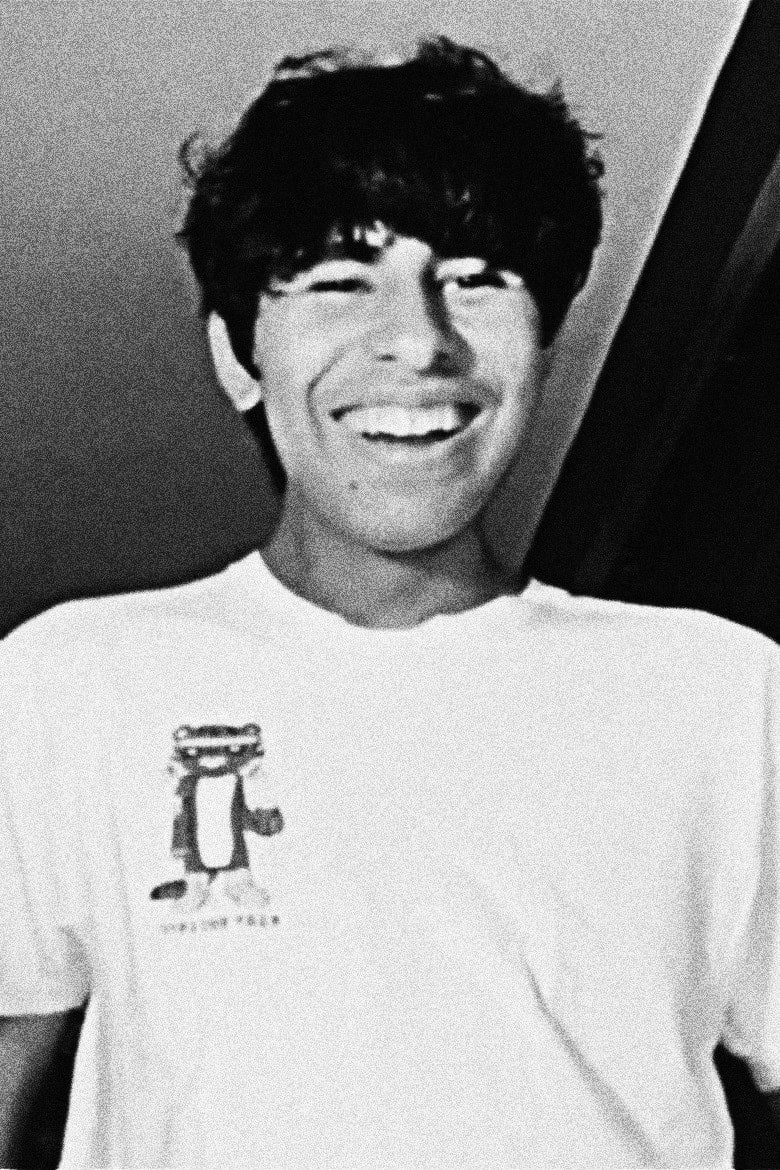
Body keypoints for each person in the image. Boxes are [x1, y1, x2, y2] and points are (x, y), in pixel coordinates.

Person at [1, 37, 778, 1168]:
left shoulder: (726, 693)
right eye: (338, 282)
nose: (417, 339)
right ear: (238, 358)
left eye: (477, 277)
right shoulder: (72, 680)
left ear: (543, 343)